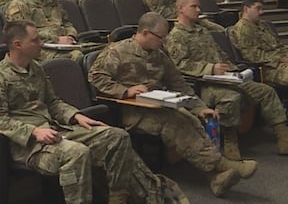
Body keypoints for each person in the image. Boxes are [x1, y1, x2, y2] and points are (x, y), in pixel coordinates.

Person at [0, 20, 186, 204]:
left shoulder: (36, 69)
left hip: (55, 129)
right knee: (77, 153)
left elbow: (53, 103)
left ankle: (117, 198)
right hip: (27, 145)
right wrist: (34, 132)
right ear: (18, 44)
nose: (41, 43)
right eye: (35, 40)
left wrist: (76, 116)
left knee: (117, 136)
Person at [88, 12, 258, 197]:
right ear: (145, 33)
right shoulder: (118, 51)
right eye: (161, 37)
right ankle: (223, 164)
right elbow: (96, 76)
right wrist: (125, 90)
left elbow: (178, 83)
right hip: (132, 111)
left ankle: (216, 177)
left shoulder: (159, 54)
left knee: (191, 118)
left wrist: (200, 107)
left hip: (158, 105)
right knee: (175, 123)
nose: (165, 41)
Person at [167, 0, 288, 159]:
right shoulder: (176, 36)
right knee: (231, 98)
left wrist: (233, 71)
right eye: (194, 6)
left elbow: (221, 55)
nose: (199, 10)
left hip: (225, 78)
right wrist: (211, 68)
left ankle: (286, 139)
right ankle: (230, 142)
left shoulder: (202, 31)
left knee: (266, 91)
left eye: (199, 6)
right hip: (204, 83)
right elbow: (180, 64)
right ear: (180, 9)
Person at [229, 0, 288, 138]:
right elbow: (253, 57)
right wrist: (286, 60)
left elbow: (278, 47)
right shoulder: (241, 29)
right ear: (246, 9)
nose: (262, 12)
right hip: (270, 69)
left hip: (287, 63)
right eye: (258, 8)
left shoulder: (263, 26)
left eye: (262, 9)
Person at [5, 0, 83, 61]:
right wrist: (56, 39)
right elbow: (23, 36)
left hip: (64, 44)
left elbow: (66, 23)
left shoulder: (52, 0)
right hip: (39, 49)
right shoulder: (19, 4)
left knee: (95, 50)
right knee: (76, 56)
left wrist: (70, 35)